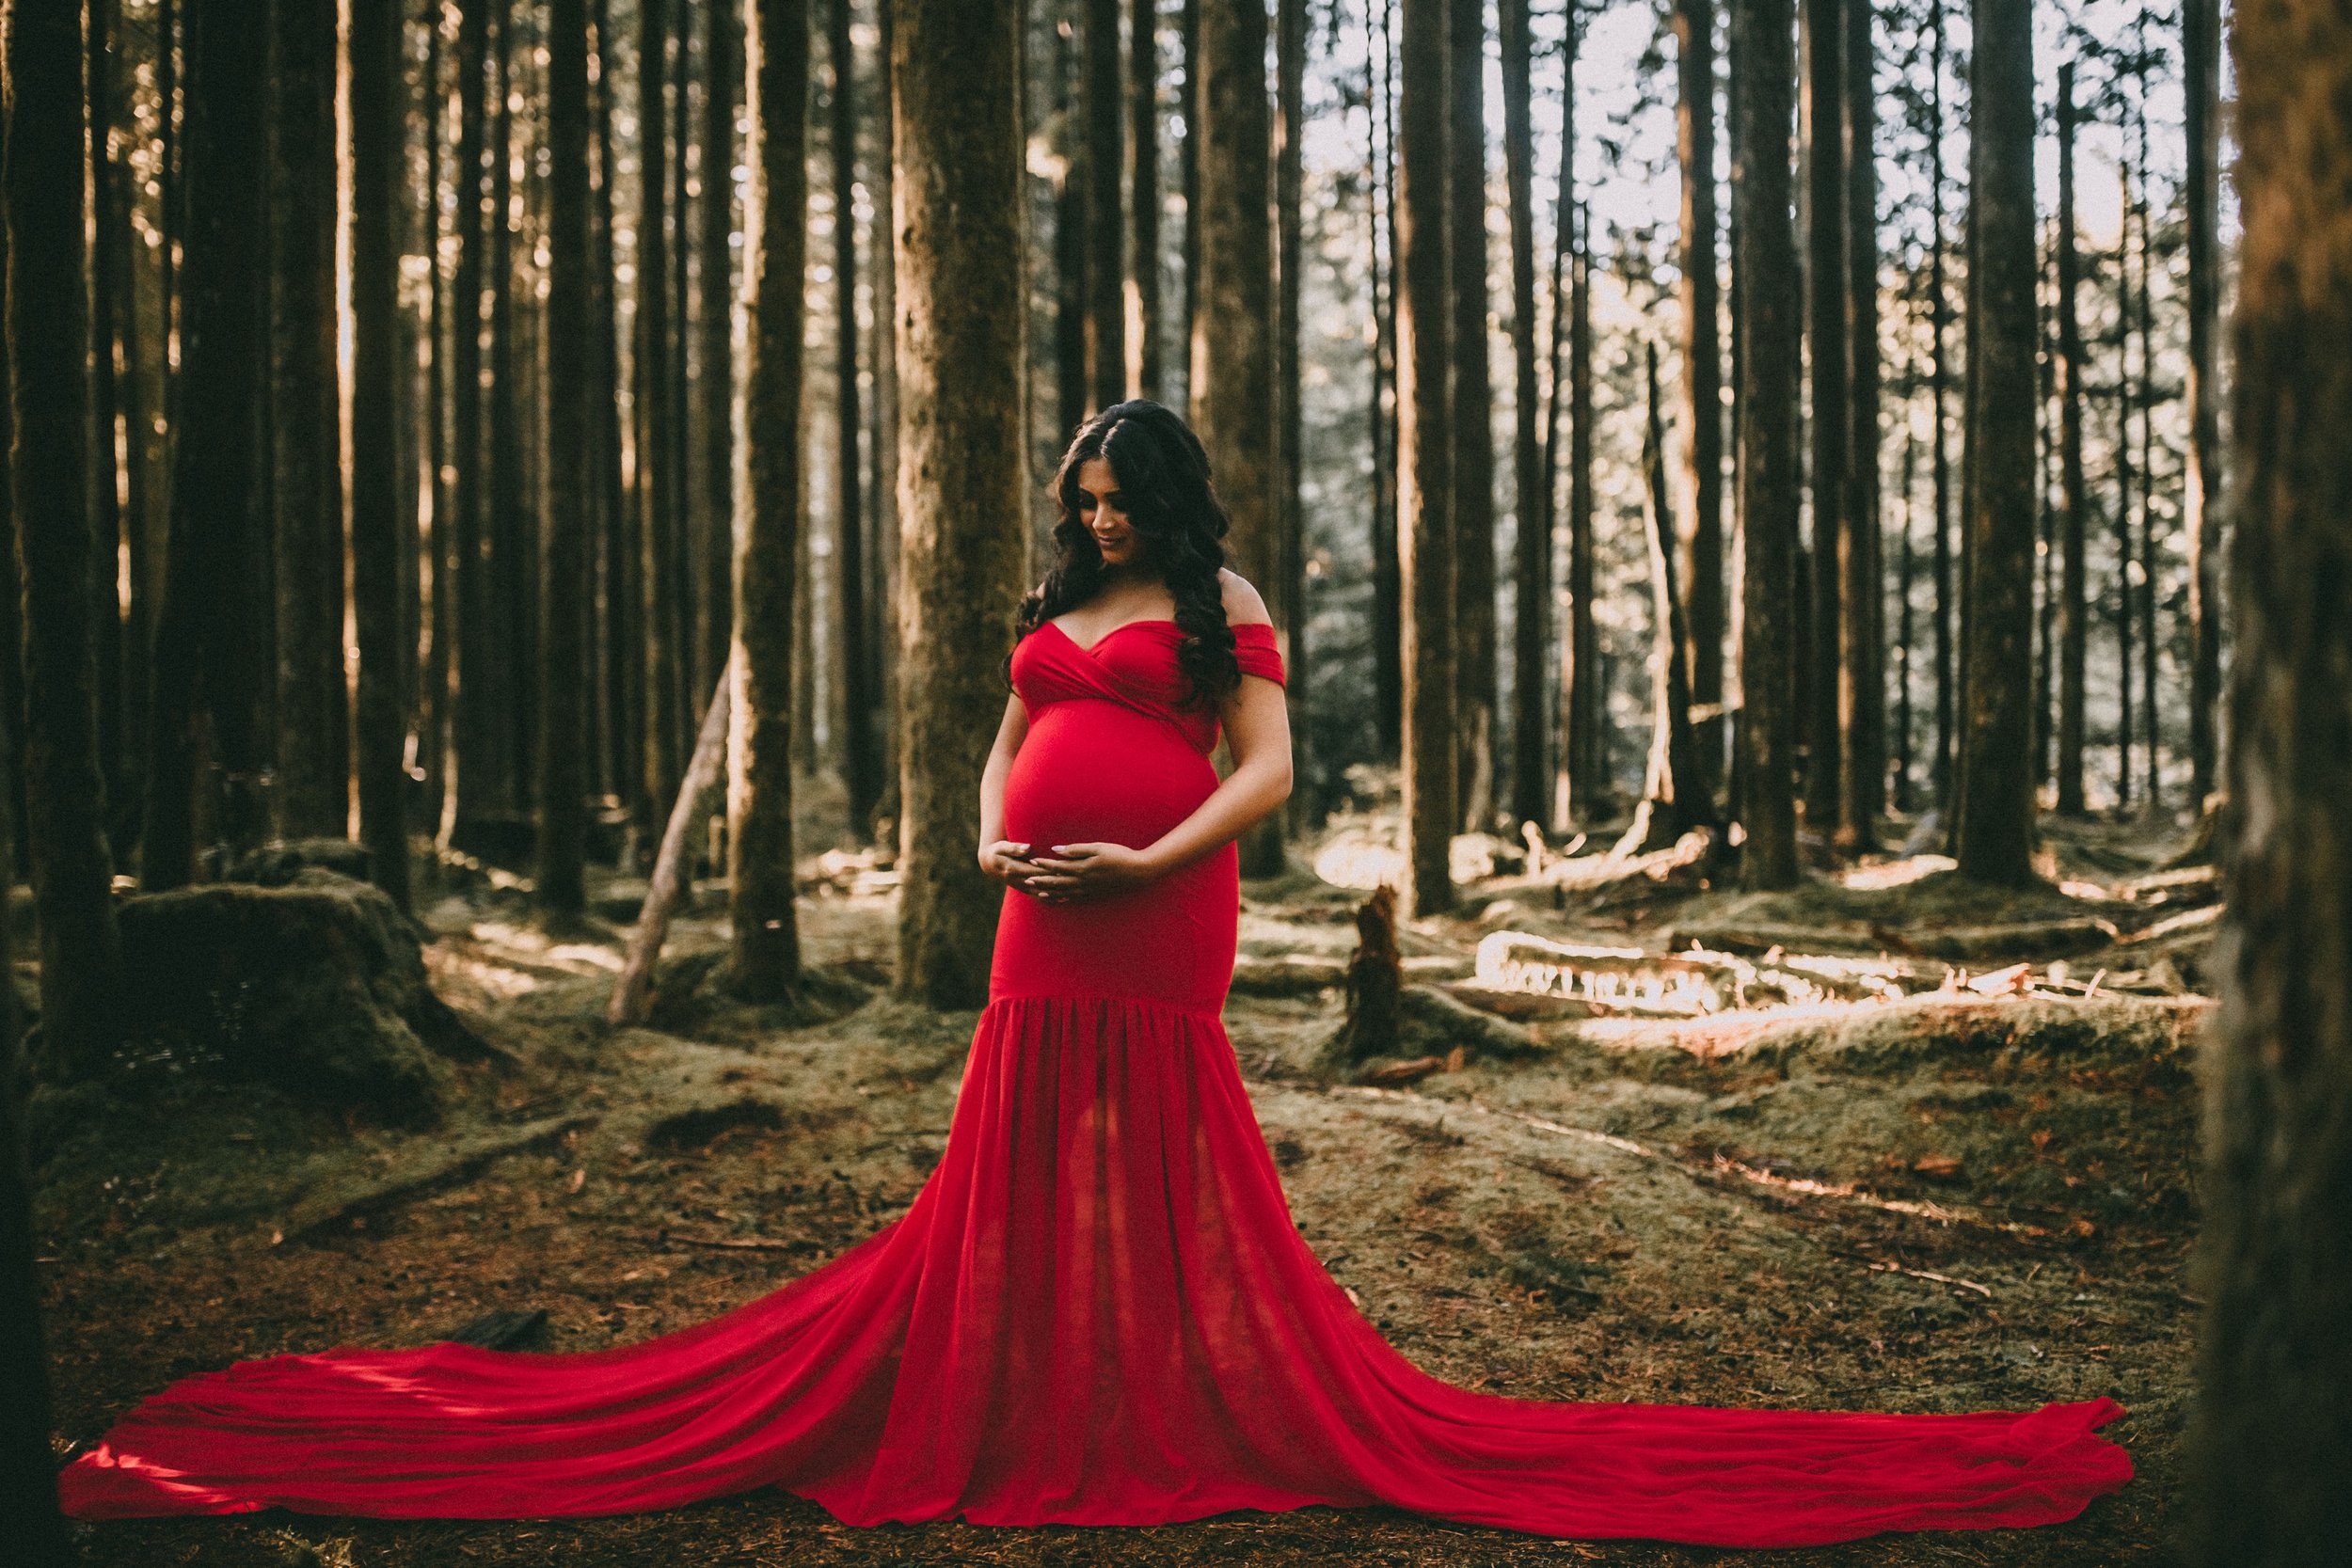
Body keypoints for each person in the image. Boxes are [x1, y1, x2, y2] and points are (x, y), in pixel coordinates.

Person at [54, 401, 2131, 1546]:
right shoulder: (1061, 597)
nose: (1097, 511)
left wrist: (1141, 843)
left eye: (1117, 487)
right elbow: (991, 736)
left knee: (1152, 1134)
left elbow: (1268, 768)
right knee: (1016, 1133)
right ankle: (1029, 1370)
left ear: (1172, 488)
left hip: (1158, 892)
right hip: (1040, 897)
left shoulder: (1219, 590)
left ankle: (1154, 1387)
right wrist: (981, 838)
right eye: (1082, 495)